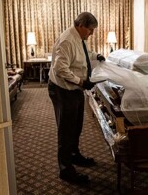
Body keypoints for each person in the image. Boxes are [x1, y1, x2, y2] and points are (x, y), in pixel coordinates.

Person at [48, 12, 105, 185]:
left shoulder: (78, 37)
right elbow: (61, 70)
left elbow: (84, 53)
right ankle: (65, 169)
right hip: (63, 89)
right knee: (66, 129)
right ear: (81, 25)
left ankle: (74, 155)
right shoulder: (67, 40)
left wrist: (96, 56)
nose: (92, 33)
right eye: (90, 30)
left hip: (74, 88)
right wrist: (81, 81)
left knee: (76, 124)